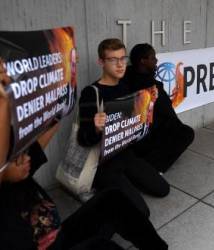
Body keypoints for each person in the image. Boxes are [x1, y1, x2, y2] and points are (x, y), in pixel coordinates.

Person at [0, 122, 168, 250]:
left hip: (60, 239)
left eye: (24, 151)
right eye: (17, 157)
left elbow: (52, 124)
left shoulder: (20, 171)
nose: (26, 158)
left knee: (113, 199)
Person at [77, 38, 170, 217]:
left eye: (122, 58)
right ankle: (103, 190)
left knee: (162, 189)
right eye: (113, 60)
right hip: (103, 163)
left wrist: (150, 105)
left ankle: (124, 184)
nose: (120, 65)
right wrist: (96, 128)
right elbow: (83, 139)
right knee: (141, 212)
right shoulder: (91, 93)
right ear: (101, 62)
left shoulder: (125, 86)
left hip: (126, 153)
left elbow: (136, 127)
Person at [123, 43, 195, 173]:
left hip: (131, 139)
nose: (156, 61)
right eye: (153, 58)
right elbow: (168, 116)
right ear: (143, 61)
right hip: (143, 139)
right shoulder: (152, 87)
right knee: (186, 133)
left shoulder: (126, 77)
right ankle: (153, 169)